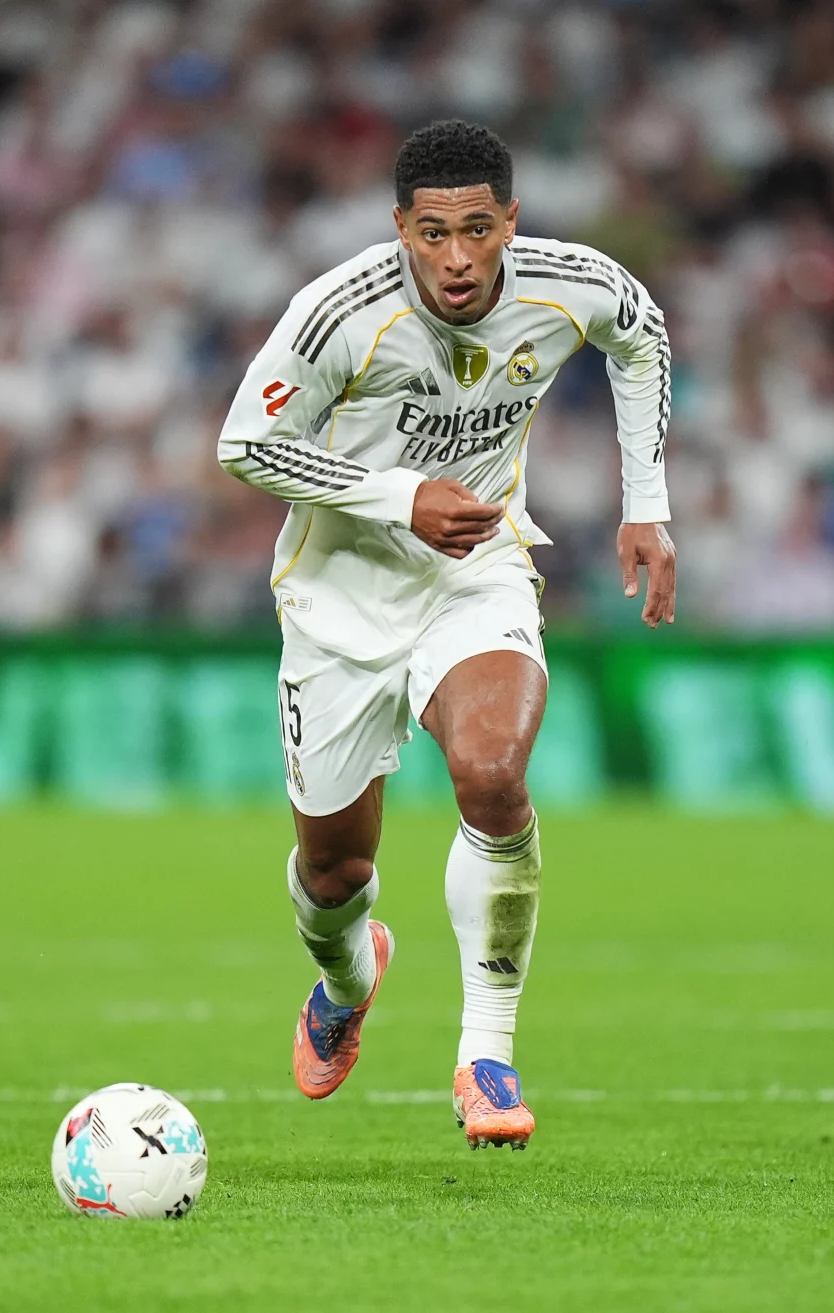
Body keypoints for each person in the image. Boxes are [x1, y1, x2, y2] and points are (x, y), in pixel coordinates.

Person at [217, 120, 677, 1149]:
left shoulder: (569, 281)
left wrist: (647, 502)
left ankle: (487, 1052)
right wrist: (396, 496)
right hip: (337, 602)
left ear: (511, 219)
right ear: (400, 230)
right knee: (334, 873)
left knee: (492, 770)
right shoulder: (340, 312)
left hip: (476, 569)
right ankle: (350, 975)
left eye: (479, 229)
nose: (460, 257)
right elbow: (244, 442)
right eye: (434, 233)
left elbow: (641, 330)